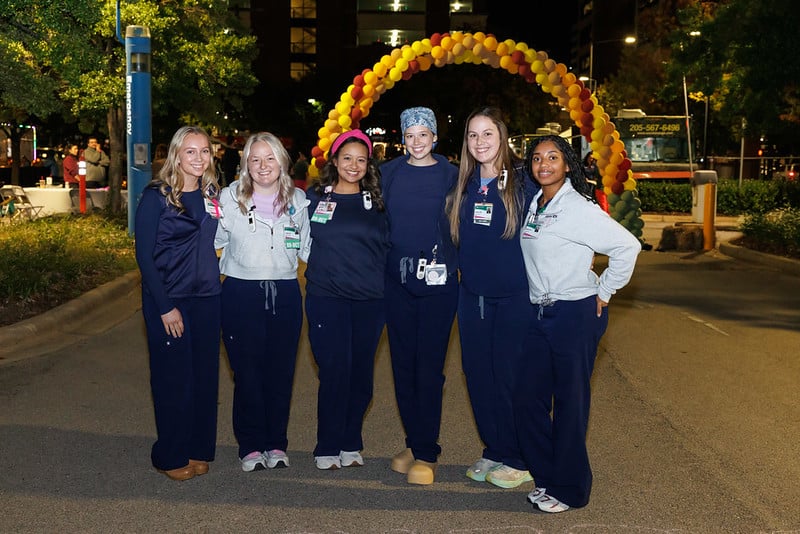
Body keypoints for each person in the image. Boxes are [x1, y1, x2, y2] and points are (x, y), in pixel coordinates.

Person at [516, 135, 641, 513]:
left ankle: (571, 489)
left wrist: (605, 291)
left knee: (570, 404)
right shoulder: (536, 204)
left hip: (574, 314)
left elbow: (627, 246)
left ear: (568, 164)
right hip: (541, 314)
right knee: (526, 399)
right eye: (537, 158)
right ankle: (548, 478)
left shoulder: (578, 207)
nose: (544, 164)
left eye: (553, 157)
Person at [446, 106, 537, 489]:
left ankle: (519, 456)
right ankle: (495, 448)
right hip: (473, 298)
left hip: (515, 297)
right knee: (478, 375)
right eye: (472, 135)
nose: (480, 142)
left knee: (509, 376)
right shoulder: (465, 183)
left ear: (502, 137)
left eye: (487, 134)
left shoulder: (523, 180)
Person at [214, 132, 311, 472]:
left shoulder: (299, 201)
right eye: (254, 159)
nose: (262, 165)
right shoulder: (228, 198)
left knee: (281, 373)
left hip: (284, 294)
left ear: (283, 161)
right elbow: (211, 241)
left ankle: (276, 443)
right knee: (248, 374)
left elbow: (309, 249)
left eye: (269, 158)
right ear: (245, 165)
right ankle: (251, 445)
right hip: (241, 294)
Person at [133, 126, 222, 482]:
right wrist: (166, 306)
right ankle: (169, 453)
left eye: (205, 151)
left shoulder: (213, 193)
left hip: (208, 298)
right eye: (191, 152)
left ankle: (198, 448)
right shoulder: (157, 195)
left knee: (204, 378)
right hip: (169, 299)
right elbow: (143, 255)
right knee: (174, 380)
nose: (199, 158)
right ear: (176, 155)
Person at [379, 107, 458, 485]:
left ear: (435, 137)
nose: (417, 141)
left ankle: (427, 452)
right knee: (402, 368)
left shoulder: (452, 175)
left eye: (424, 134)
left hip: (439, 287)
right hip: (396, 283)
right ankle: (413, 441)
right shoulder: (388, 173)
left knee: (428, 369)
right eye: (410, 134)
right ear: (403, 137)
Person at [304, 129, 389, 470]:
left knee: (361, 377)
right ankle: (327, 444)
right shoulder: (312, 199)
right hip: (327, 299)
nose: (353, 166)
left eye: (361, 160)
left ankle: (351, 441)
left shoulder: (379, 202)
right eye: (347, 158)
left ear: (368, 165)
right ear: (334, 161)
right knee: (334, 371)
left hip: (370, 301)